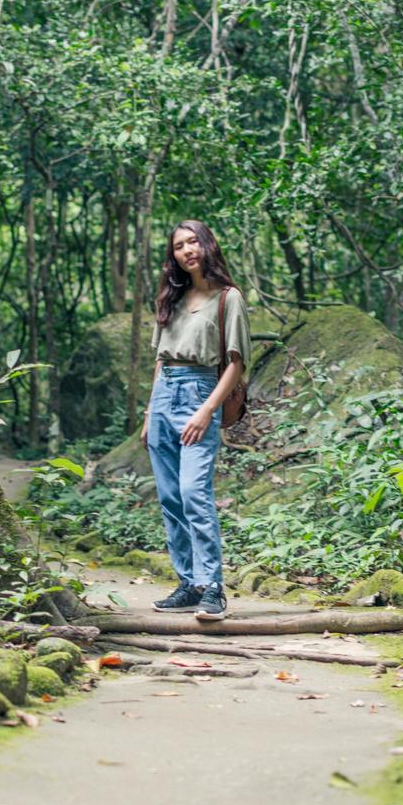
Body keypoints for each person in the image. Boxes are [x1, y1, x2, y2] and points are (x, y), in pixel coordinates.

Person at [141, 219, 251, 621]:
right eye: (178, 246)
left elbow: (236, 363)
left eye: (193, 242)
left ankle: (214, 588)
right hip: (164, 394)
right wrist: (150, 412)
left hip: (200, 394)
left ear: (207, 246)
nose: (186, 250)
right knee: (170, 497)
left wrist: (207, 410)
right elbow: (160, 359)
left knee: (193, 493)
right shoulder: (171, 298)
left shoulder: (228, 298)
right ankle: (189, 583)